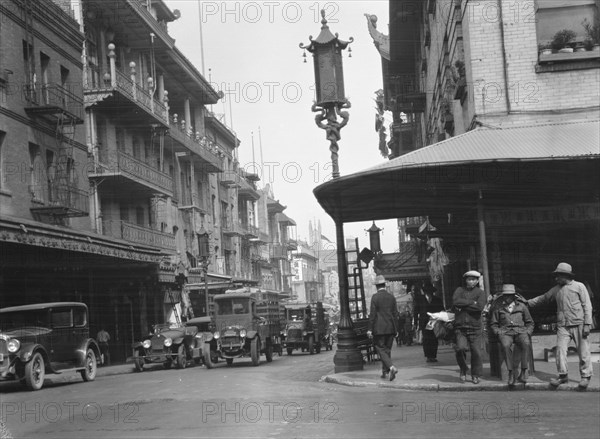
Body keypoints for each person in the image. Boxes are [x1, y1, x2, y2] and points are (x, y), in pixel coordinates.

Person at [527, 263, 594, 389]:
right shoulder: (556, 289)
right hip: (563, 325)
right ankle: (563, 376)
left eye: (558, 276)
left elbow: (587, 306)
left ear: (565, 275)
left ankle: (585, 377)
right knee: (560, 350)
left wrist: (587, 324)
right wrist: (527, 303)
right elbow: (543, 298)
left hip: (579, 323)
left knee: (583, 351)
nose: (556, 278)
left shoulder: (579, 286)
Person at [490, 284, 534, 386]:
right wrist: (498, 332)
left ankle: (523, 372)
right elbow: (493, 324)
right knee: (505, 345)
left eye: (510, 295)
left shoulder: (522, 306)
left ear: (514, 296)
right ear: (503, 296)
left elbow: (530, 322)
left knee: (526, 343)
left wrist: (527, 332)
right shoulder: (498, 307)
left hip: (520, 331)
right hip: (505, 332)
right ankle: (510, 373)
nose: (508, 298)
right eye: (506, 295)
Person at [452, 270, 487, 384]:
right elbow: (455, 302)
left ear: (477, 281)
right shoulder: (459, 290)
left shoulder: (481, 293)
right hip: (460, 327)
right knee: (460, 348)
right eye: (469, 279)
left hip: (475, 327)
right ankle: (463, 369)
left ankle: (475, 374)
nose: (471, 281)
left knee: (476, 352)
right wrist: (472, 302)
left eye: (473, 279)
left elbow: (479, 308)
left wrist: (463, 306)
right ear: (465, 280)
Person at [367, 275, 400, 381]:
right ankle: (385, 371)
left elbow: (372, 315)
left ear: (376, 286)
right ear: (384, 285)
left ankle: (391, 367)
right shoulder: (392, 297)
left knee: (380, 349)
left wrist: (370, 329)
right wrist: (397, 329)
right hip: (390, 328)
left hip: (379, 328)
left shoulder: (375, 297)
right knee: (387, 350)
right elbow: (395, 314)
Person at [414, 283, 445, 362]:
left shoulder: (437, 300)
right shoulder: (419, 299)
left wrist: (442, 320)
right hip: (424, 322)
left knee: (434, 339)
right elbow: (416, 311)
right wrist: (415, 323)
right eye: (427, 291)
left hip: (434, 321)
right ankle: (428, 356)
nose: (429, 293)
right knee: (426, 339)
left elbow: (442, 310)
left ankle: (433, 355)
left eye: (430, 291)